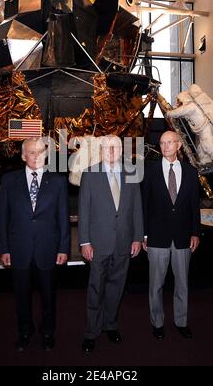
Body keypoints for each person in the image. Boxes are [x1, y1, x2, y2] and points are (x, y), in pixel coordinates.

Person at [0, 137, 70, 352]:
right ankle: (25, 332)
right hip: (19, 249)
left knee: (49, 296)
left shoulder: (58, 182)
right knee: (21, 296)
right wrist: (4, 248)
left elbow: (63, 218)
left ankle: (48, 333)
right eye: (31, 152)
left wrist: (63, 248)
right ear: (22, 155)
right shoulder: (9, 181)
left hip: (48, 249)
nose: (36, 156)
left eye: (40, 151)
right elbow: (3, 217)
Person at [78, 134, 143, 355]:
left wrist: (137, 237)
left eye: (115, 147)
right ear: (101, 150)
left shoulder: (132, 173)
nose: (112, 151)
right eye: (107, 147)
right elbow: (84, 211)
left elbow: (136, 208)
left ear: (121, 149)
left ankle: (111, 325)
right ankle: (91, 332)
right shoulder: (89, 174)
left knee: (117, 287)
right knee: (96, 288)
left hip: (124, 242)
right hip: (97, 244)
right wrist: (84, 241)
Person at [142, 131, 200, 340]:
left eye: (170, 142)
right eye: (162, 143)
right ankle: (157, 322)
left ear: (178, 145)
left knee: (182, 282)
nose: (165, 146)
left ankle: (181, 321)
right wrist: (144, 234)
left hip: (184, 237)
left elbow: (195, 206)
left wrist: (195, 232)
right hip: (157, 237)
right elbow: (144, 204)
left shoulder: (191, 172)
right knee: (155, 284)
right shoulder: (149, 171)